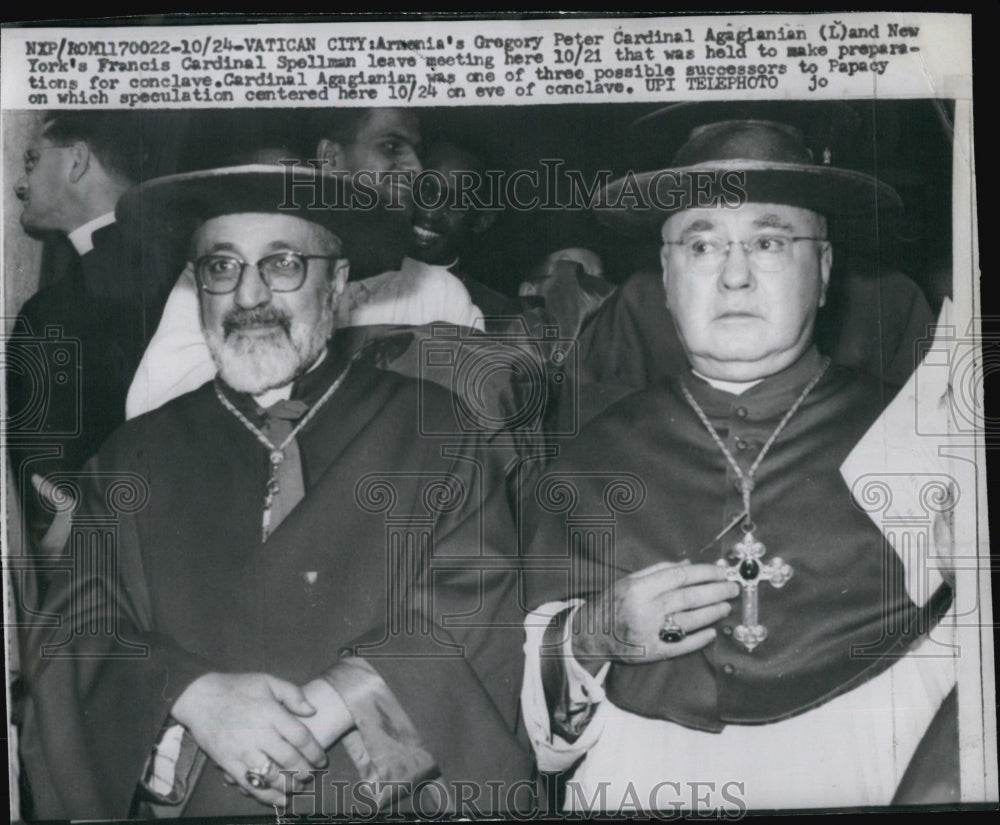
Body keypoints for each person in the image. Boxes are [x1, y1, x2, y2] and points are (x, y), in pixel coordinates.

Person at [18, 164, 531, 819]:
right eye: (221, 267)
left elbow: (474, 608)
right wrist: (191, 694)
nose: (249, 294)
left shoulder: (438, 430)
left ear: (338, 283)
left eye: (283, 263)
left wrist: (333, 705)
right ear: (196, 286)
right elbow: (74, 632)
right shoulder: (130, 456)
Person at [521, 119, 957, 811]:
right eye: (700, 245)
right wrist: (591, 634)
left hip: (879, 772)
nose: (733, 274)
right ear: (664, 278)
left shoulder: (927, 438)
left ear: (824, 271)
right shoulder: (590, 459)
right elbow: (538, 737)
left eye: (769, 241)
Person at [126, 108, 486, 419]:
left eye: (418, 154)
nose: (416, 169)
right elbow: (158, 411)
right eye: (391, 147)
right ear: (330, 157)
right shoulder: (221, 275)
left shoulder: (439, 294)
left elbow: (473, 428)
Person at [6, 112, 174, 543]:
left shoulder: (54, 310)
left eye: (31, 161)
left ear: (76, 161)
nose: (20, 184)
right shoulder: (173, 265)